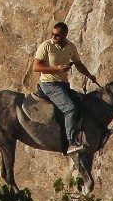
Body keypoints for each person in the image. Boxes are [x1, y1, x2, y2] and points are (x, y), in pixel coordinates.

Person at [29, 21, 98, 155]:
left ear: (65, 35)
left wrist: (89, 75)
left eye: (57, 35)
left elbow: (78, 64)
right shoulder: (47, 46)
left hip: (63, 84)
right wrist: (55, 69)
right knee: (70, 108)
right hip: (48, 84)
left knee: (83, 102)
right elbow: (36, 67)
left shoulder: (70, 47)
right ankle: (71, 142)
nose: (54, 37)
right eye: (53, 34)